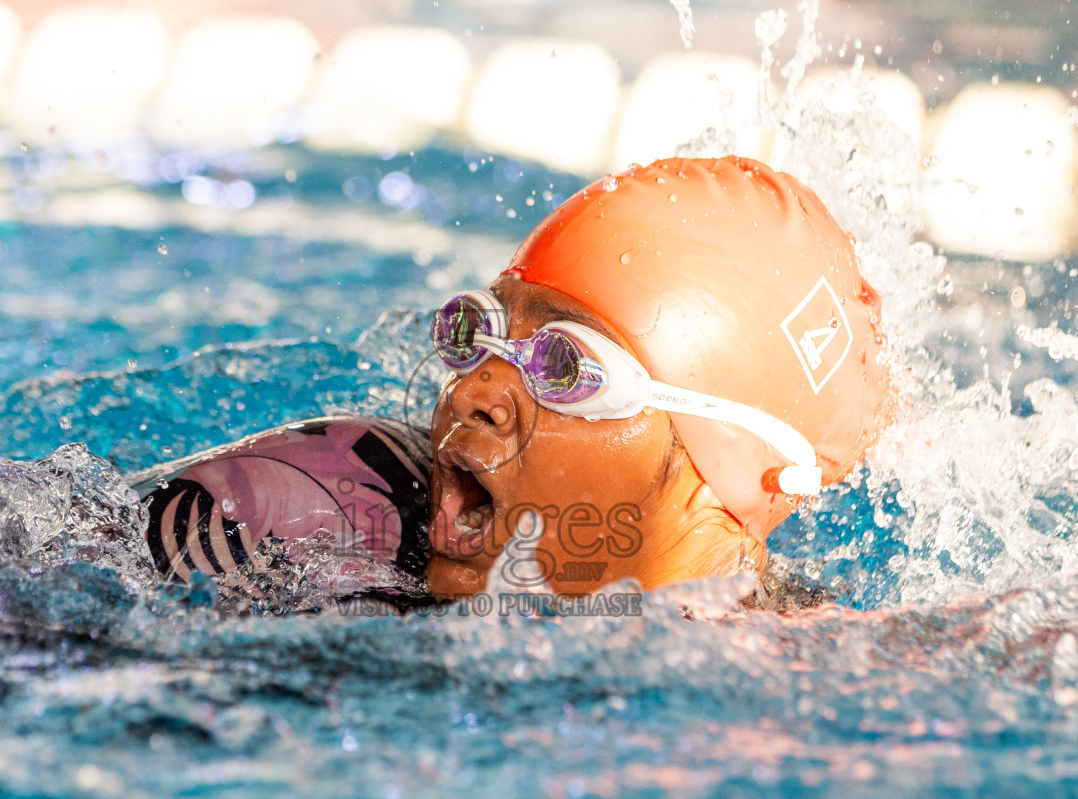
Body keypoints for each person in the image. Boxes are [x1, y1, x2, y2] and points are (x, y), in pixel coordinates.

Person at [146, 155, 891, 606]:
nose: (469, 395)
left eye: (568, 368)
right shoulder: (325, 509)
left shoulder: (830, 696)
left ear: (716, 475)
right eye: (480, 333)